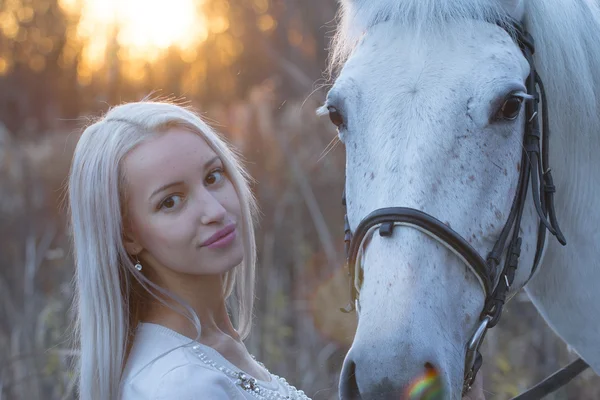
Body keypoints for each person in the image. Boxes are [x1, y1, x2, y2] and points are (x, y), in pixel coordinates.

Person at [67, 101, 310, 399]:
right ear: (128, 236)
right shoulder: (181, 385)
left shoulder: (210, 347)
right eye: (170, 201)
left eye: (213, 177)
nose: (215, 210)